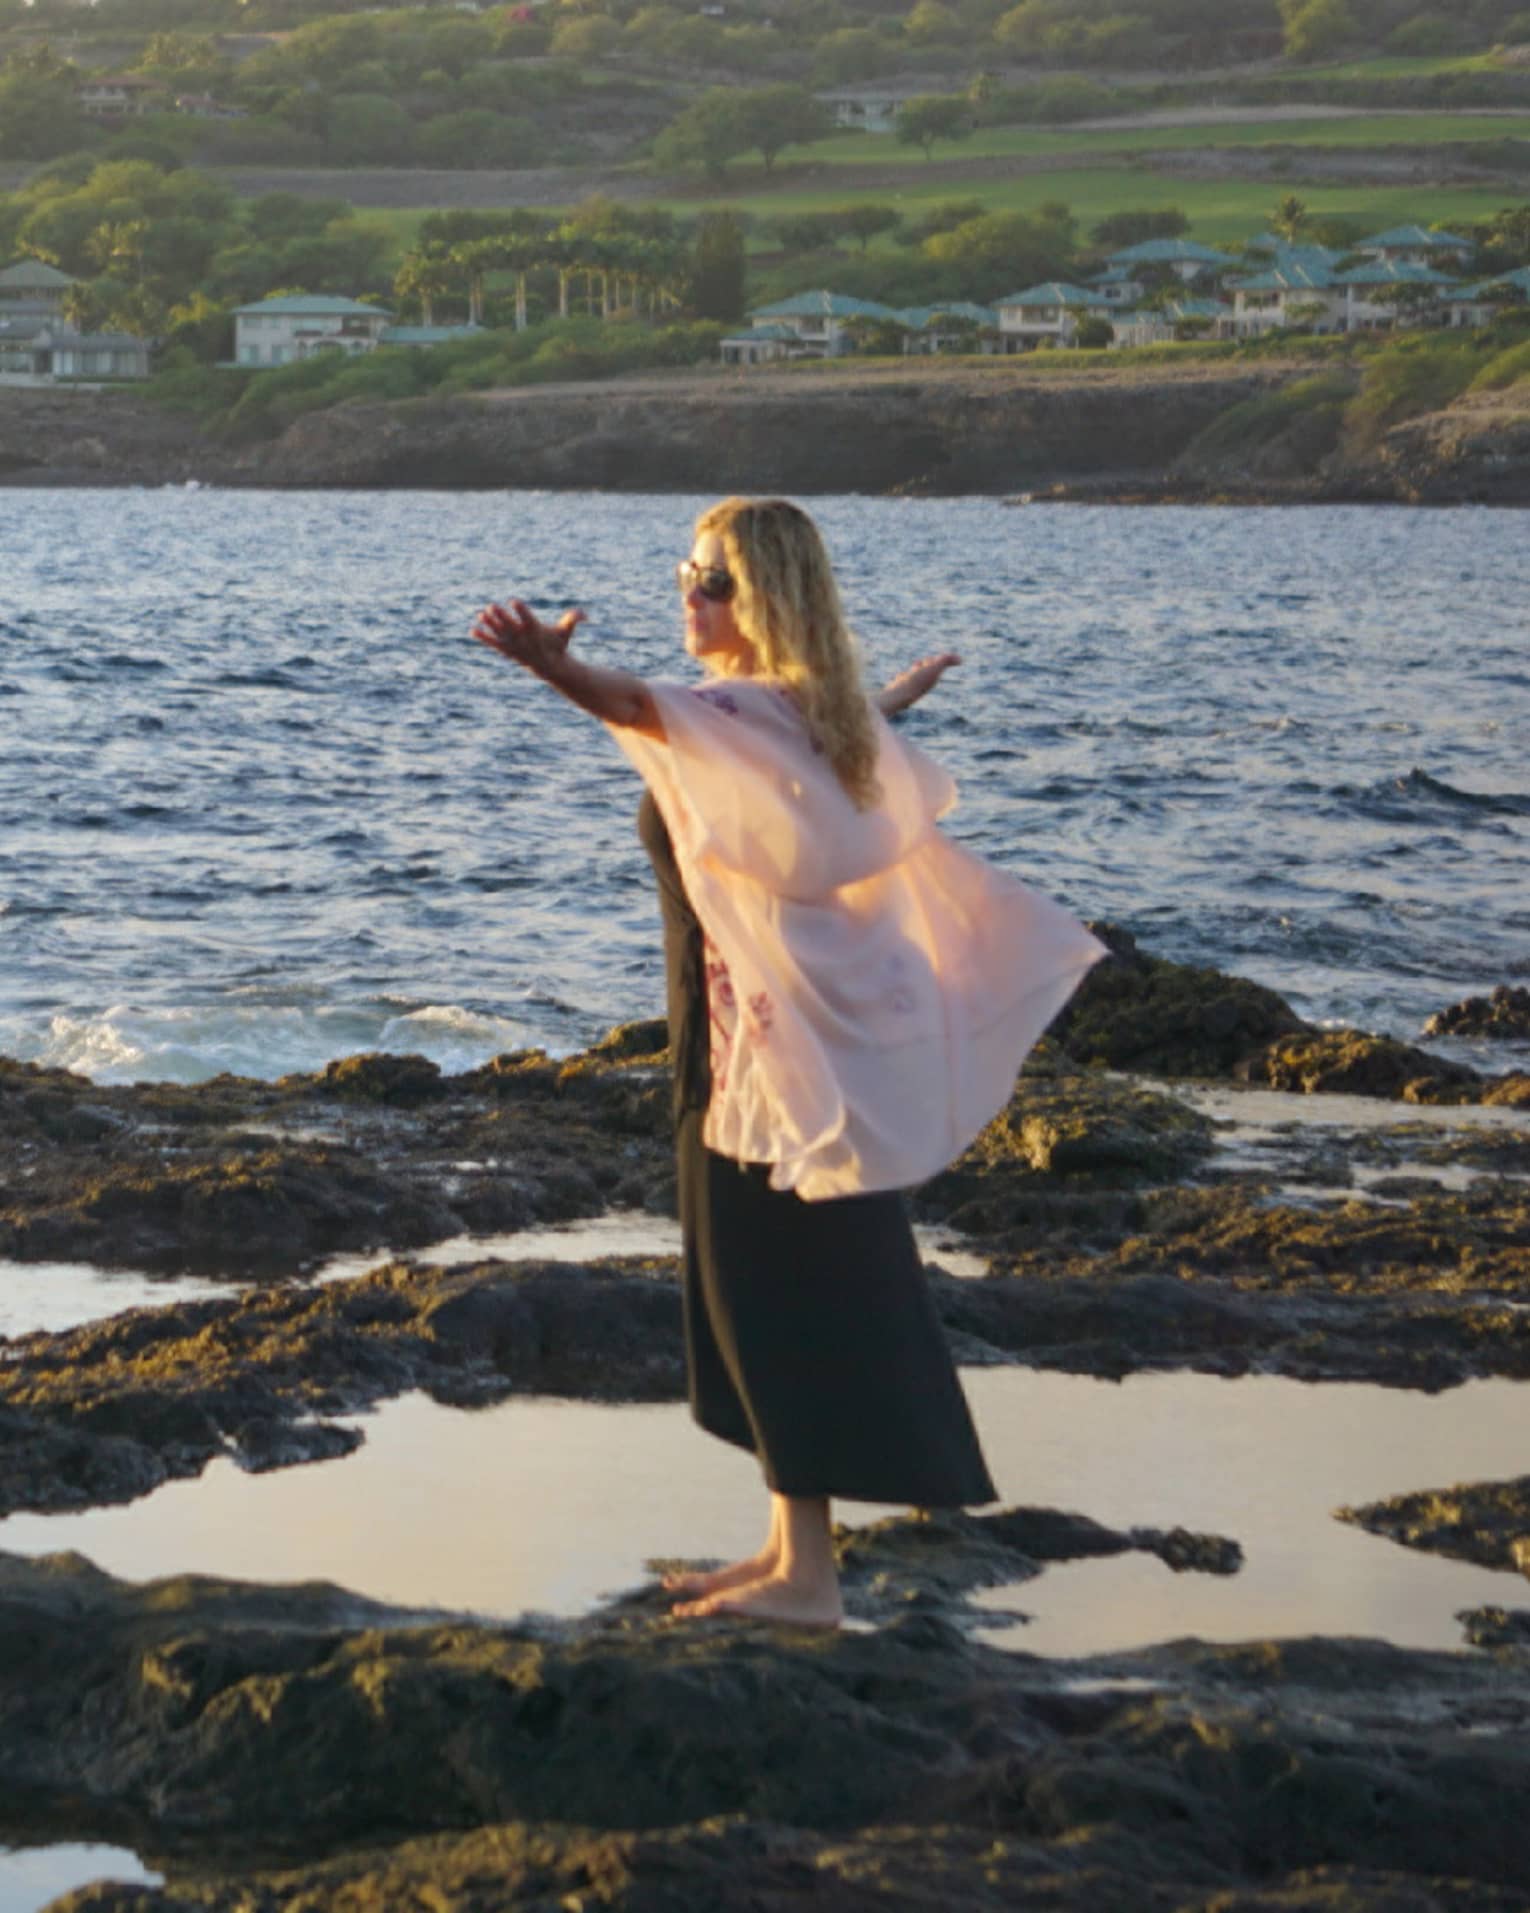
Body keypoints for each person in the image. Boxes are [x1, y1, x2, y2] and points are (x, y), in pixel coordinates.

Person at [472, 497, 1104, 1628]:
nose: (688, 593)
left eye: (710, 580)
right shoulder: (808, 712)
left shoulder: (745, 711)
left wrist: (547, 667)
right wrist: (895, 695)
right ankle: (784, 1546)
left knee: (775, 1293)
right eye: (685, 570)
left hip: (755, 1055)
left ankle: (808, 1582)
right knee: (768, 1290)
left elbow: (635, 701)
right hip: (749, 1039)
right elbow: (822, 720)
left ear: (762, 598)